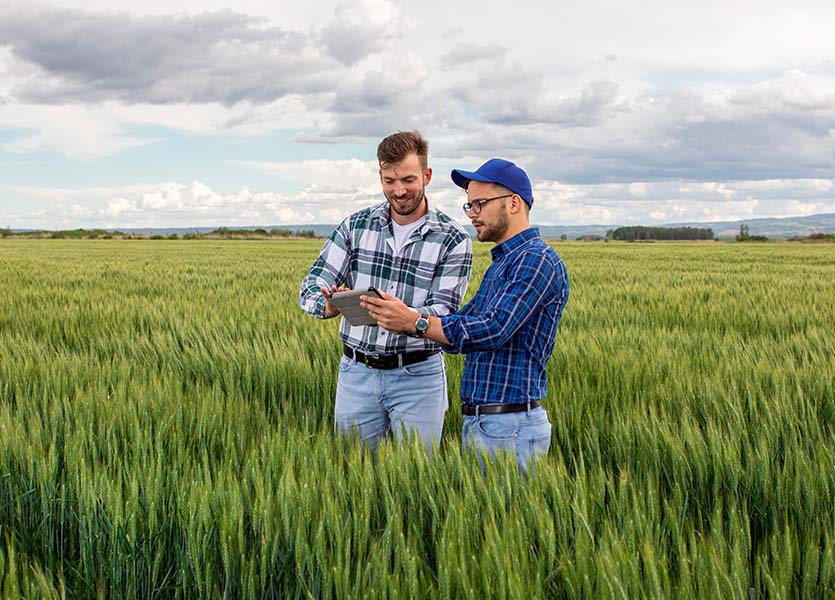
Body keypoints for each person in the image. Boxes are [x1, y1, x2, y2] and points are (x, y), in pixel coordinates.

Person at [361, 158, 569, 471]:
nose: (472, 215)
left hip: (509, 426)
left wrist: (414, 322)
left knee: (502, 520)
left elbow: (492, 330)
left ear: (513, 203)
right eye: (469, 206)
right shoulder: (505, 262)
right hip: (487, 423)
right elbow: (461, 324)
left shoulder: (535, 261)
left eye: (480, 204)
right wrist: (404, 317)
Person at [299, 131, 473, 452]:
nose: (399, 190)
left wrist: (408, 318)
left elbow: (446, 313)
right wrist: (329, 304)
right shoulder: (355, 226)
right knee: (353, 474)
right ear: (380, 175)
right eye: (389, 180)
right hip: (356, 374)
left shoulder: (452, 238)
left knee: (416, 480)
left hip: (418, 377)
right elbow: (311, 287)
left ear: (427, 175)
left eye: (408, 179)